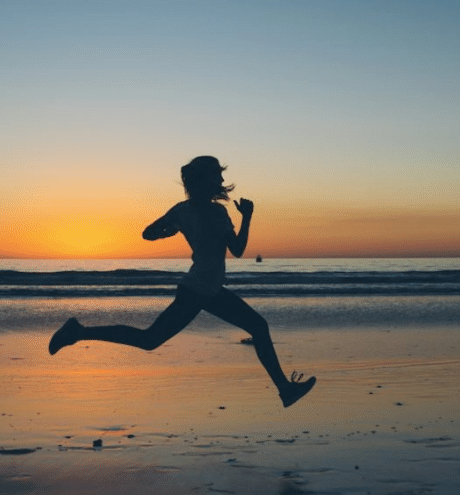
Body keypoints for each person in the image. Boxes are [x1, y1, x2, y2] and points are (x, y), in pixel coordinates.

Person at [48, 156, 316, 408]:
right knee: (150, 340)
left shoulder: (196, 211)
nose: (222, 183)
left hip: (208, 289)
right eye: (217, 177)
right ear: (204, 181)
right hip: (197, 289)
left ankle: (285, 389)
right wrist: (177, 228)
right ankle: (79, 332)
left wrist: (240, 218)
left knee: (256, 326)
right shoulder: (199, 212)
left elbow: (230, 249)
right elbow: (153, 235)